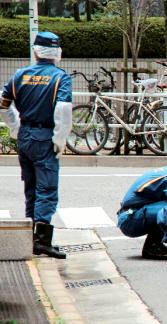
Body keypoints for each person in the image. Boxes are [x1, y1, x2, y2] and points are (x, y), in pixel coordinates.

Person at [0, 31, 72, 259]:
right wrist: (60, 141)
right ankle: (42, 241)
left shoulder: (21, 75)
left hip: (25, 136)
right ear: (58, 52)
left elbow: (3, 104)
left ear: (36, 51)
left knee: (31, 188)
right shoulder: (61, 78)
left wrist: (15, 128)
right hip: (45, 136)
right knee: (47, 189)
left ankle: (30, 238)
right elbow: (62, 111)